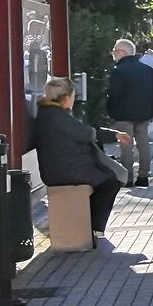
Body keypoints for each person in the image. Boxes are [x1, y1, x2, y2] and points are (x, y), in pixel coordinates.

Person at [32, 77, 124, 243]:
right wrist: (112, 135)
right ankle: (92, 227)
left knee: (107, 179)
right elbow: (86, 134)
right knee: (110, 182)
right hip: (65, 170)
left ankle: (91, 227)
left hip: (62, 166)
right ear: (66, 98)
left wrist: (113, 135)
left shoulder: (49, 113)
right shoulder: (57, 116)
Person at [106, 38, 153, 186]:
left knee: (126, 146)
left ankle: (127, 178)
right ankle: (143, 176)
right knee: (143, 144)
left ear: (122, 52)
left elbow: (113, 93)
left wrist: (110, 111)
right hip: (143, 113)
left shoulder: (118, 70)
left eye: (115, 51)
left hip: (123, 115)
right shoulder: (147, 70)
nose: (113, 54)